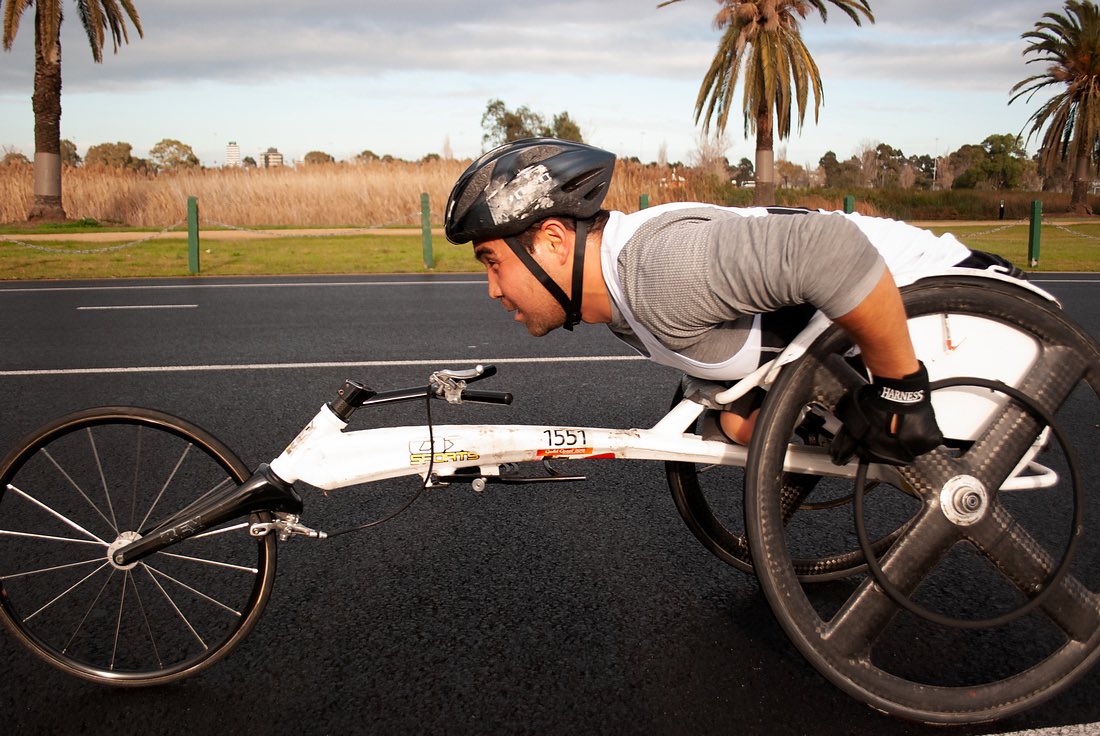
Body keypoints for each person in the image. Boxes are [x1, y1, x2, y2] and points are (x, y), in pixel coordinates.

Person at [444, 138, 1021, 466]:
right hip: (941, 317)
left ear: (551, 239)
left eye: (493, 262)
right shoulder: (617, 291)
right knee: (736, 424)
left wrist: (902, 389)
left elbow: (830, 250)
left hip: (985, 328)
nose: (493, 289)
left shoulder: (658, 272)